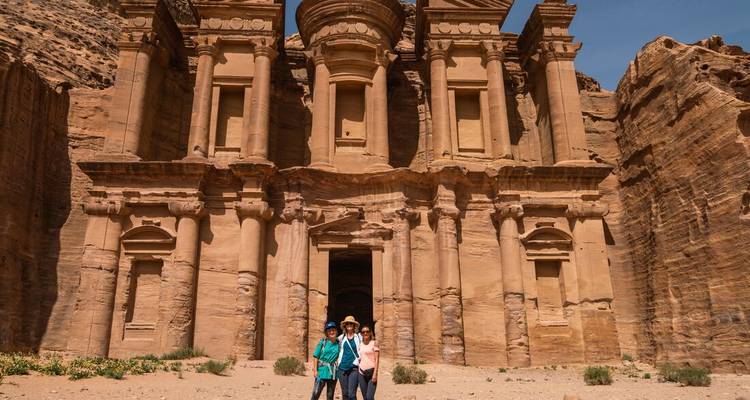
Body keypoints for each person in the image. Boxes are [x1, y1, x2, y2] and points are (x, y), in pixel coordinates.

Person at [311, 321, 340, 400]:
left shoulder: (339, 343)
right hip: (322, 371)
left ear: (336, 331)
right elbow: (315, 356)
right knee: (316, 393)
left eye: (333, 330)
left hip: (333, 372)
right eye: (329, 330)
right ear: (327, 332)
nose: (331, 332)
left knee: (330, 396)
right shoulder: (323, 342)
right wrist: (315, 370)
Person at [337, 315, 362, 400]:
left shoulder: (359, 337)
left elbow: (368, 341)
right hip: (342, 368)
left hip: (353, 368)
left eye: (351, 323)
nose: (349, 325)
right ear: (345, 326)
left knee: (352, 394)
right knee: (345, 394)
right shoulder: (341, 337)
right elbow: (332, 344)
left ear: (354, 325)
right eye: (347, 324)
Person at [357, 325, 379, 400]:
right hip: (361, 373)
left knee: (369, 397)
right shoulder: (359, 344)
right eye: (363, 332)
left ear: (370, 333)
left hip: (371, 372)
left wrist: (375, 374)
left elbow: (377, 359)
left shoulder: (374, 343)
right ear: (361, 334)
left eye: (367, 331)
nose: (365, 333)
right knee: (365, 398)